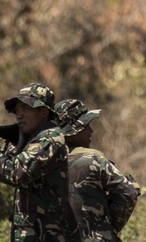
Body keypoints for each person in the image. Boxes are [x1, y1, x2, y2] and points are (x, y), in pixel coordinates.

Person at [0, 82, 74, 241]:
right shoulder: (32, 140)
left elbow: (16, 172)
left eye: (25, 109)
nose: (19, 115)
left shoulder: (49, 140)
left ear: (43, 111)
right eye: (17, 110)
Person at [54, 99, 140, 241]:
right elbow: (129, 194)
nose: (91, 131)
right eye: (86, 125)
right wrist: (107, 230)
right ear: (74, 130)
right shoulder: (93, 160)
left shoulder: (43, 162)